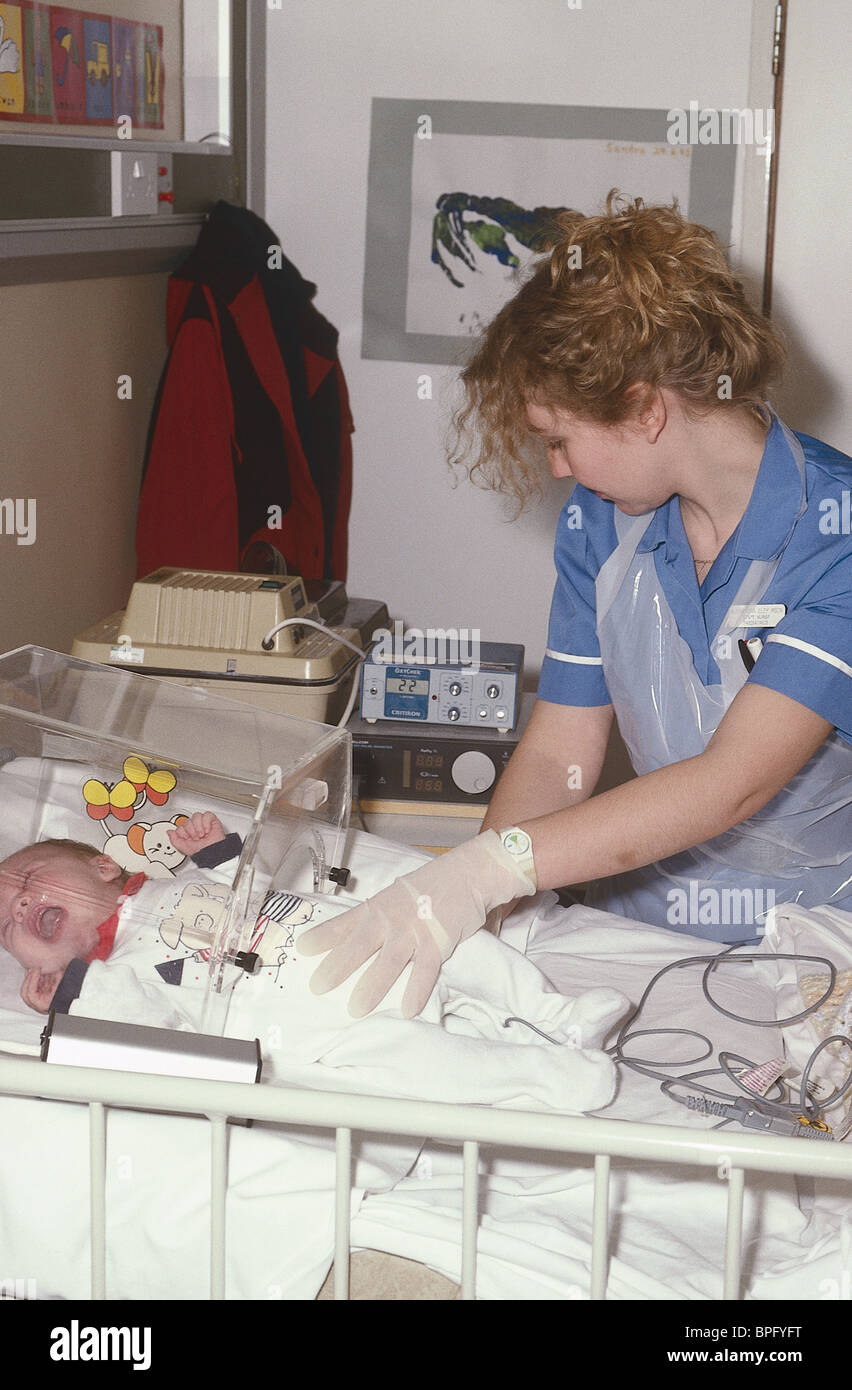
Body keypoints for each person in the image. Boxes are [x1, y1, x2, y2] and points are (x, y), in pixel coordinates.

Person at [298, 193, 852, 1016]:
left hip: (811, 954)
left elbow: (729, 784)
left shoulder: (834, 537)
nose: (555, 468)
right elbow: (563, 747)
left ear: (643, 407)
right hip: (639, 936)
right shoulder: (603, 523)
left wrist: (491, 868)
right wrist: (486, 899)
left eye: (558, 437)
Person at [0, 816, 625, 1114]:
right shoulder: (116, 978)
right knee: (420, 1069)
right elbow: (153, 1028)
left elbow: (259, 877)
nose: (21, 903)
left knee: (462, 943)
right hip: (332, 1030)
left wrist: (219, 850)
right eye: (6, 926)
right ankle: (547, 1074)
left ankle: (556, 1012)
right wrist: (72, 990)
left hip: (359, 940)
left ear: (103, 866)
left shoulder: (173, 882)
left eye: (27, 880)